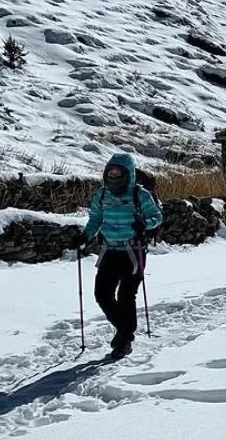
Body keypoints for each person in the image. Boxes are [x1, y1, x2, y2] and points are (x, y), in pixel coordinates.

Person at [75, 153, 163, 360]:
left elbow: (157, 216)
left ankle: (125, 339)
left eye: (118, 173)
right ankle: (124, 330)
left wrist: (145, 224)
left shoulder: (139, 195)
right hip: (110, 250)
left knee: (126, 295)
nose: (114, 177)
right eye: (110, 173)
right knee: (102, 294)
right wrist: (84, 236)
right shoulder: (102, 195)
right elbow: (95, 218)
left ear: (128, 174)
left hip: (134, 251)